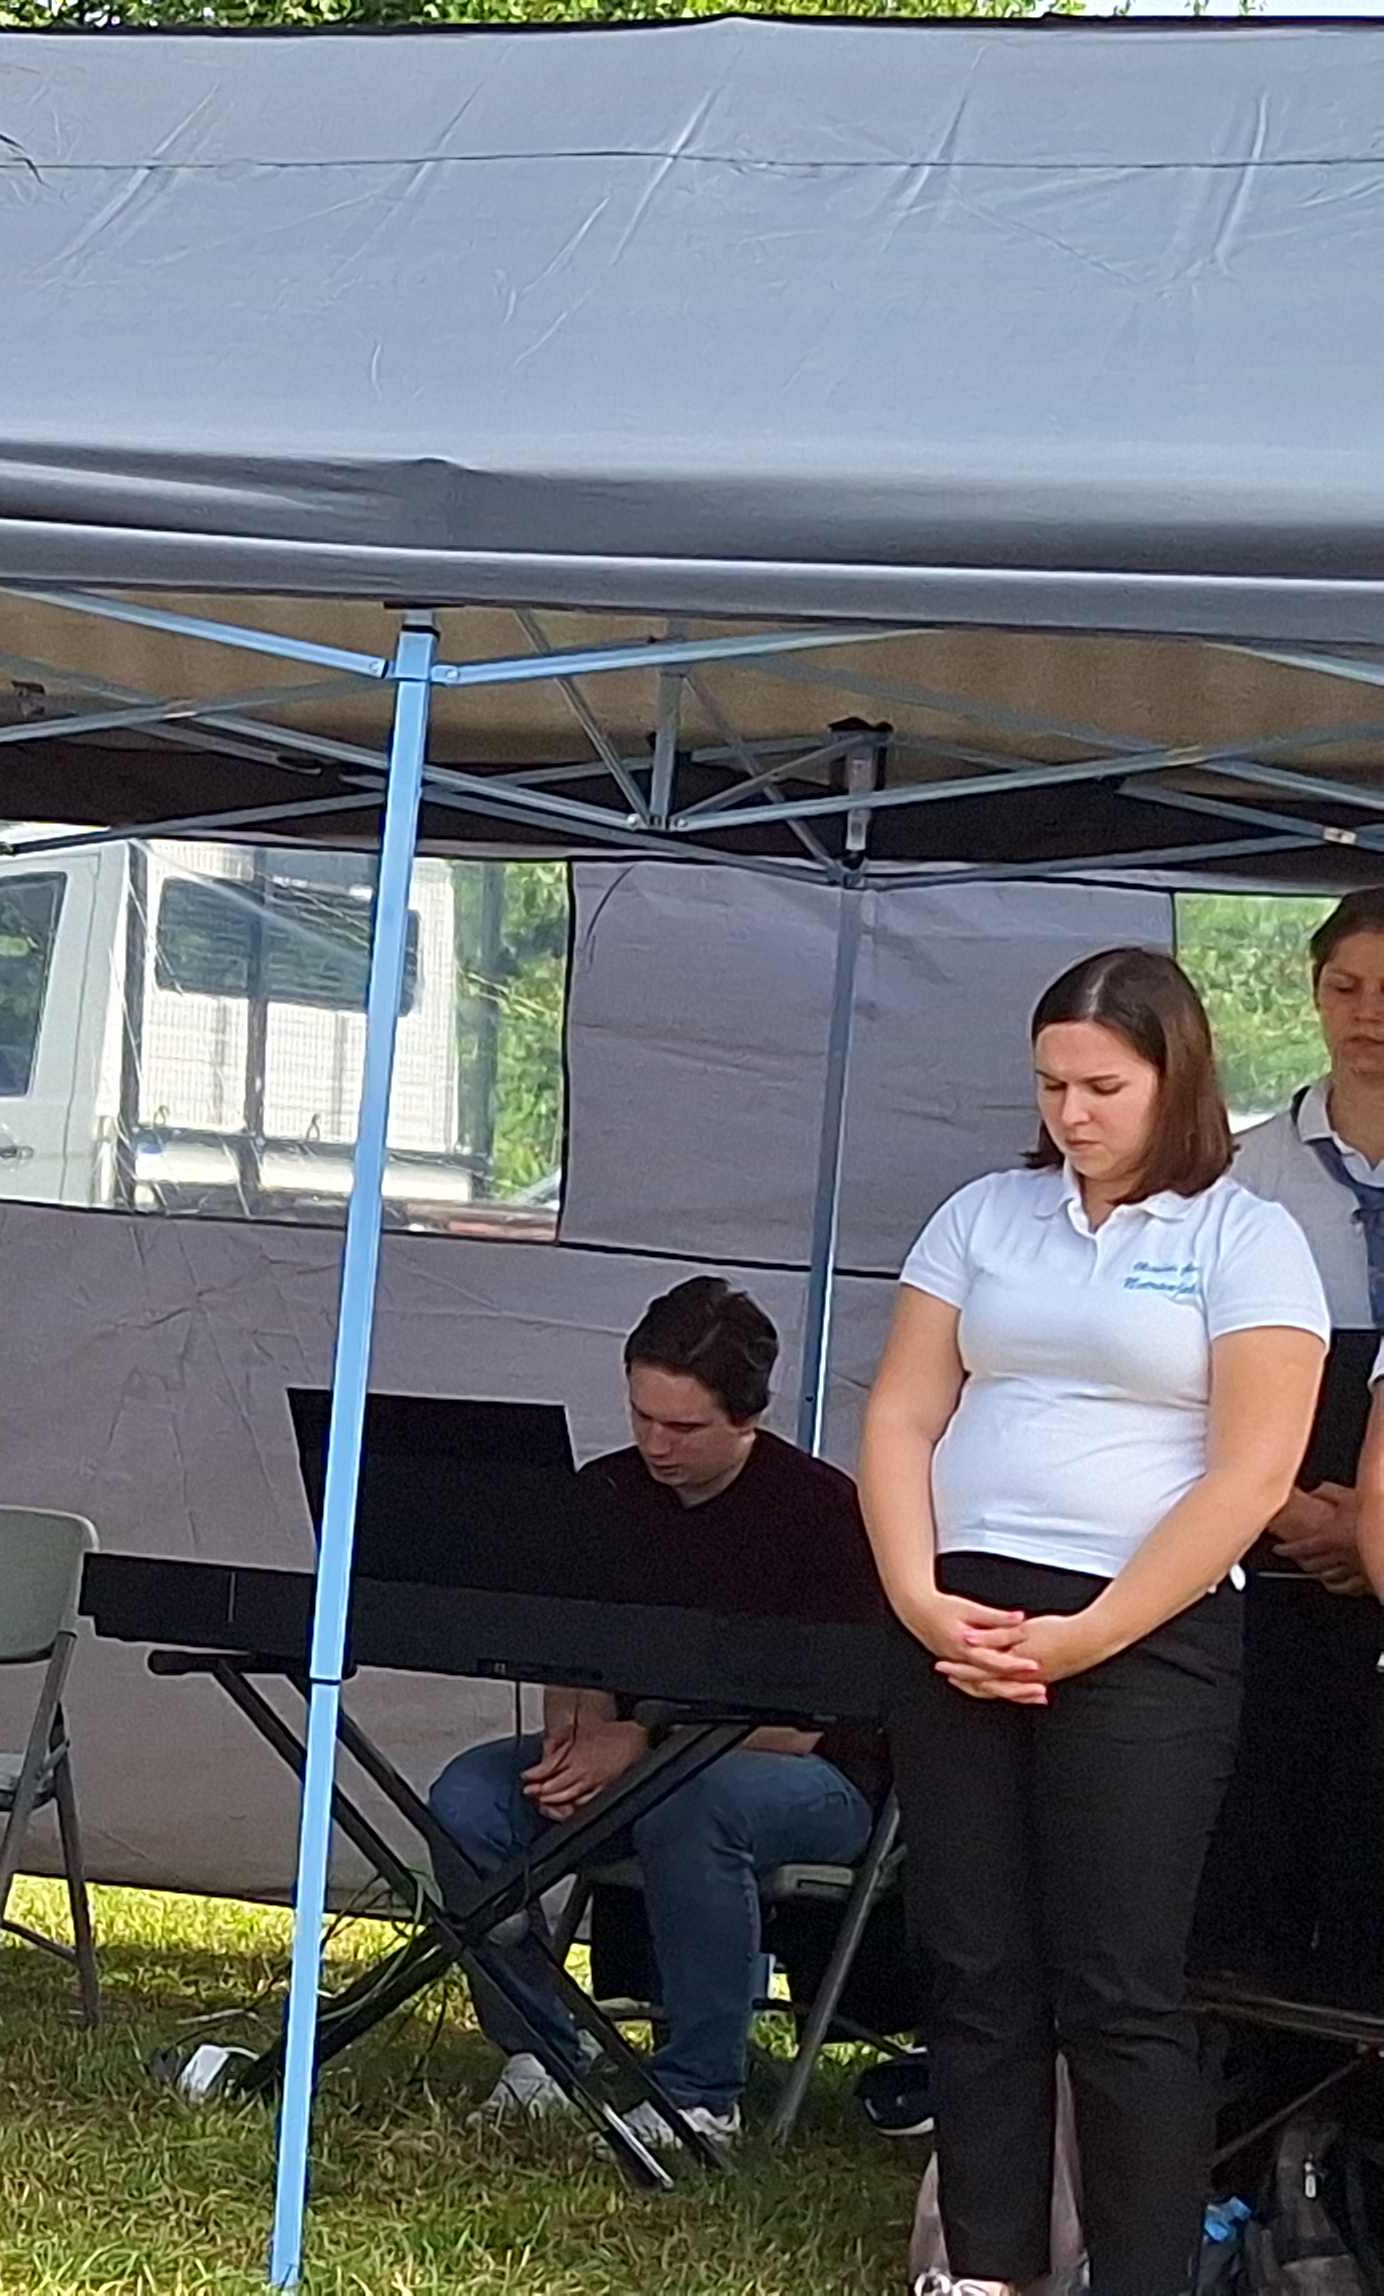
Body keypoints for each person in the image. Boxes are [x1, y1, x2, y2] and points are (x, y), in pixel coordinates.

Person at [863, 946, 1327, 2296]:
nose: (1072, 1112)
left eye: (1103, 1087)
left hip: (1145, 1633)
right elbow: (901, 1411)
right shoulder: (984, 1213)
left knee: (1119, 1985)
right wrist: (918, 1595)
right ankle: (987, 2268)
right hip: (959, 1612)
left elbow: (1250, 1475)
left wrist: (1095, 1632)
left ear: (1174, 1078)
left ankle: (1137, 2275)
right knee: (975, 1966)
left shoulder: (1246, 1237)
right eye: (1052, 1084)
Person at [424, 1278, 889, 2150]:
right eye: (642, 1417)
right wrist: (572, 1740)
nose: (656, 1445)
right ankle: (539, 2056)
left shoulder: (824, 1514)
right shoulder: (605, 1493)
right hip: (644, 1764)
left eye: (684, 1427)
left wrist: (639, 1743)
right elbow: (571, 1655)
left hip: (816, 1779)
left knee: (694, 1804)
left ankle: (699, 2094)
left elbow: (804, 1725)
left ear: (748, 1419)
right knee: (469, 1798)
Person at [1203, 888, 1384, 1993]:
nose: (1370, 1014)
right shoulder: (1244, 1174)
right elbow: (1195, 1371)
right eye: (1346, 987)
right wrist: (1287, 1505)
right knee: (1268, 1815)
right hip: (1275, 1537)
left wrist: (1377, 1527)